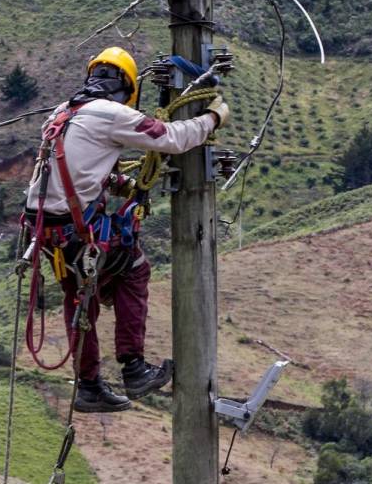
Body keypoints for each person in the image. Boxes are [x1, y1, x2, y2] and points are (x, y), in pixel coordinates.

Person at [24, 46, 229, 413]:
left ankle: (88, 385)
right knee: (134, 270)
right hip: (75, 229)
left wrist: (117, 182)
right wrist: (212, 118)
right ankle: (133, 368)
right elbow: (171, 137)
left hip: (48, 233)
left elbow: (72, 169)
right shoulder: (112, 113)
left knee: (78, 299)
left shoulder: (62, 113)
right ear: (128, 87)